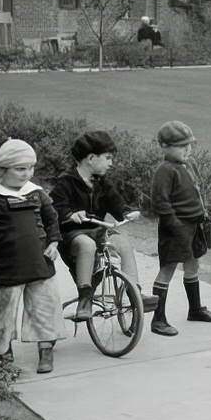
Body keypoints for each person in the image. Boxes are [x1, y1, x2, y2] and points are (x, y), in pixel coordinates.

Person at [0, 138, 63, 377]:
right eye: (20, 169)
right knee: (4, 314)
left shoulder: (37, 194)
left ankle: (46, 350)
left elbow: (52, 219)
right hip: (6, 268)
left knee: (44, 309)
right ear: (3, 169)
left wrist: (54, 242)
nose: (26, 174)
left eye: (30, 168)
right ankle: (5, 355)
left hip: (40, 264)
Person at [50, 130, 154, 321]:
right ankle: (85, 299)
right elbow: (54, 209)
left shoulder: (102, 183)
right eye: (107, 158)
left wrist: (125, 212)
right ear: (91, 158)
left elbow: (115, 202)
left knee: (122, 243)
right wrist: (70, 215)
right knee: (87, 245)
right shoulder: (65, 183)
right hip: (72, 235)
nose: (111, 163)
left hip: (97, 230)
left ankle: (134, 293)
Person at [149, 121, 211, 337]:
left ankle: (195, 309)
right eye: (181, 146)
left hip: (193, 225)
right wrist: (175, 224)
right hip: (175, 228)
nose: (187, 150)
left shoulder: (186, 166)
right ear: (164, 146)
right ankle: (158, 318)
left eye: (189, 145)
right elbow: (160, 203)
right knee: (168, 269)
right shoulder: (165, 170)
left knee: (193, 265)